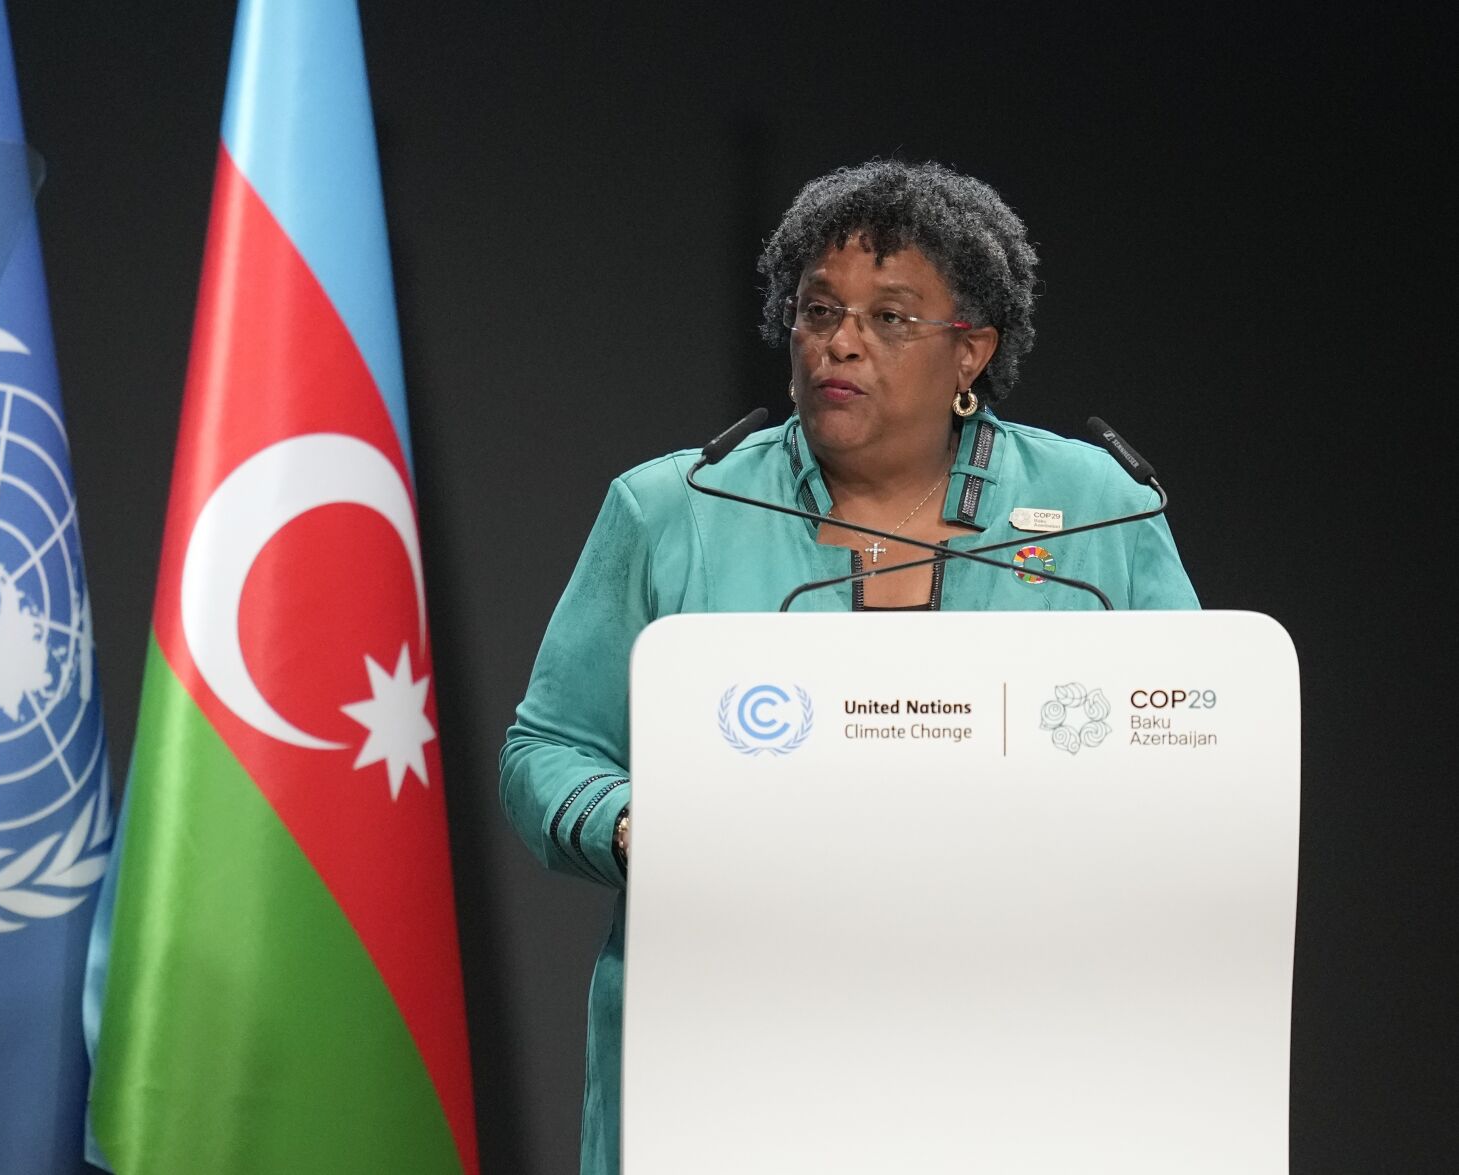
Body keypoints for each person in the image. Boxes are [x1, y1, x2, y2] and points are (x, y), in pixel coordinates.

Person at [498, 157, 1199, 1174]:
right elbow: (546, 748)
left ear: (972, 349)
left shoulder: (1099, 507)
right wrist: (628, 821)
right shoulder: (673, 510)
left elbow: (1196, 742)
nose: (839, 340)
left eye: (889, 317)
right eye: (817, 308)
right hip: (730, 1050)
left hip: (1017, 1043)